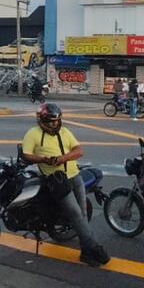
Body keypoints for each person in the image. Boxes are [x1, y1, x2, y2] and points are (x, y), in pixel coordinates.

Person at [20, 104, 111, 267]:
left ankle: (85, 253)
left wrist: (63, 158)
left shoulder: (65, 132)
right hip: (55, 180)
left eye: (57, 121)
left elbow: (79, 150)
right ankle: (96, 248)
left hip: (74, 175)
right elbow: (26, 154)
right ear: (42, 121)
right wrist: (43, 159)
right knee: (76, 214)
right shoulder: (32, 134)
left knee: (82, 213)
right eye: (51, 122)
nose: (55, 125)